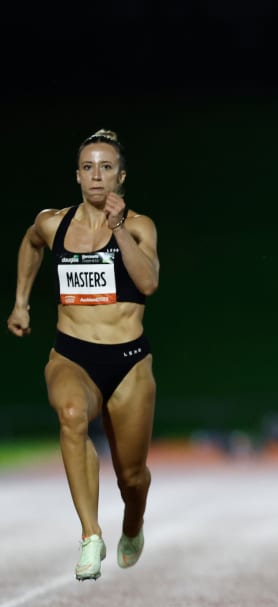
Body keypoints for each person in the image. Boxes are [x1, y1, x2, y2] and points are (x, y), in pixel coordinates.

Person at [6, 129, 159, 581]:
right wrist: (20, 300)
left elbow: (148, 282)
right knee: (71, 415)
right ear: (77, 175)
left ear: (121, 176)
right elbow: (31, 242)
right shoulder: (53, 223)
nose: (97, 176)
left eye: (106, 167)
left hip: (128, 360)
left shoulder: (137, 225)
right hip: (71, 354)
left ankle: (133, 523)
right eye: (89, 167)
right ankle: (91, 534)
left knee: (131, 478)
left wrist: (116, 229)